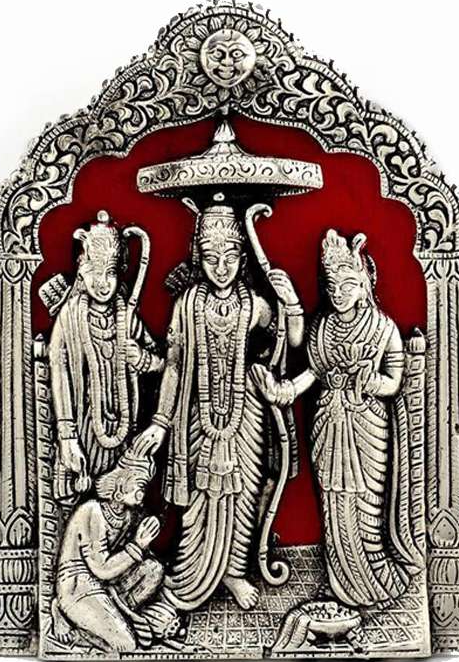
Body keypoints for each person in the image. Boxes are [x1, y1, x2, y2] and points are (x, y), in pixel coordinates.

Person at [135, 203, 302, 611]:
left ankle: (234, 571)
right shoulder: (187, 303)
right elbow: (175, 365)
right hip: (197, 413)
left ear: (243, 258)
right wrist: (160, 422)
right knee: (200, 497)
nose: (221, 268)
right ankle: (191, 571)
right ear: (199, 257)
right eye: (211, 258)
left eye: (230, 258)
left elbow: (290, 340)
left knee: (243, 493)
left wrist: (292, 303)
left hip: (247, 414)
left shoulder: (255, 305)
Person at [253, 228, 422, 609]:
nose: (338, 292)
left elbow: (394, 382)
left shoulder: (382, 328)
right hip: (329, 423)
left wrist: (371, 381)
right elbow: (312, 374)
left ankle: (375, 577)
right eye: (332, 285)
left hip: (367, 426)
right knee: (333, 503)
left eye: (347, 284)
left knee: (366, 503)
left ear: (363, 284)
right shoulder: (323, 327)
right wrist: (283, 392)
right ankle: (342, 581)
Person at [49, 210, 162, 502]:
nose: (103, 282)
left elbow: (163, 362)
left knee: (122, 503)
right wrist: (67, 436)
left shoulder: (127, 318)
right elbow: (59, 373)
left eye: (110, 272)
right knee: (81, 499)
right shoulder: (70, 317)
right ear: (80, 270)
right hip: (83, 431)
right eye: (95, 272)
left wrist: (143, 359)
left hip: (125, 432)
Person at [51, 447, 178, 653]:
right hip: (78, 586)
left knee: (154, 570)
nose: (142, 492)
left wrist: (143, 541)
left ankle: (114, 615)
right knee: (126, 644)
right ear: (120, 489)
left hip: (107, 586)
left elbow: (120, 562)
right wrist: (137, 545)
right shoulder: (92, 511)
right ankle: (69, 620)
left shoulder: (126, 516)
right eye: (139, 485)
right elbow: (101, 569)